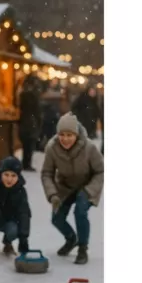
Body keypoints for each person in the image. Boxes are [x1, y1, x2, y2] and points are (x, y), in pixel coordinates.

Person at [40, 113, 104, 265]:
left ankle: (82, 248)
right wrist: (53, 194)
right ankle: (71, 238)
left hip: (87, 185)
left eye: (69, 135)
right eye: (62, 134)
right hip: (66, 186)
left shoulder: (89, 148)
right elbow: (47, 173)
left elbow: (101, 171)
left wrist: (90, 190)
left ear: (76, 134)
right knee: (57, 218)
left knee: (80, 212)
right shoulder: (52, 148)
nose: (65, 139)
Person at [18, 76, 42, 171]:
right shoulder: (33, 96)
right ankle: (27, 163)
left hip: (25, 122)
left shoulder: (22, 95)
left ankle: (25, 163)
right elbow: (37, 111)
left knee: (26, 145)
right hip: (31, 123)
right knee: (29, 145)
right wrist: (39, 122)